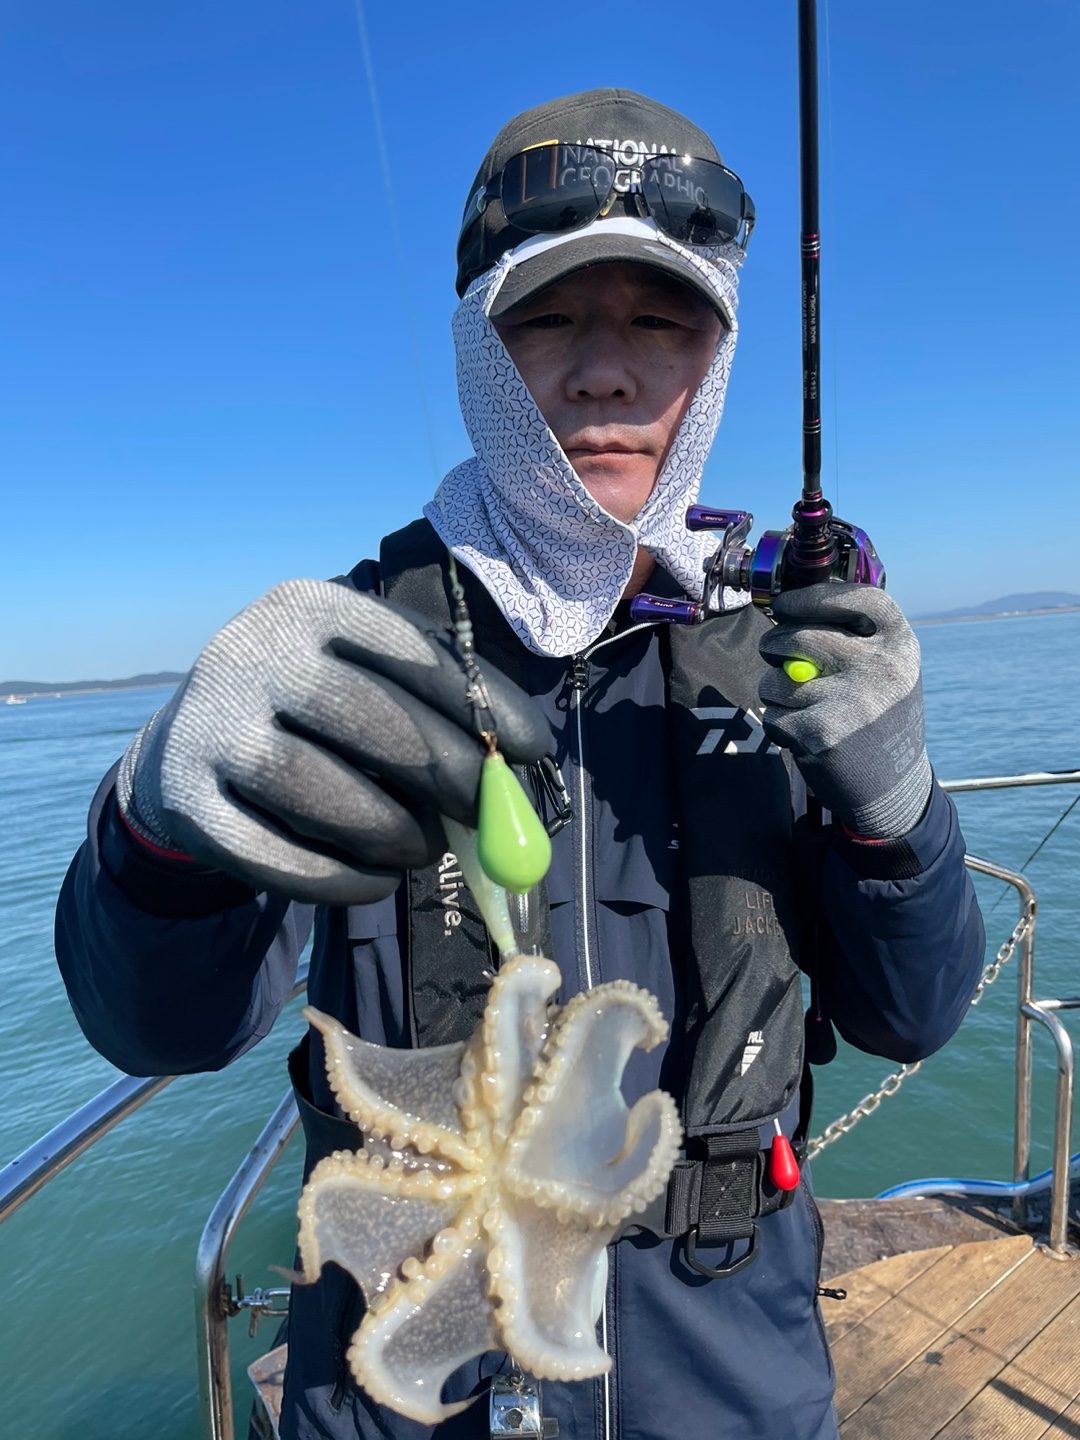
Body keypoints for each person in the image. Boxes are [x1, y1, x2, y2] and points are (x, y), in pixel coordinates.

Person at [55, 89, 985, 1440]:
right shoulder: (349, 658)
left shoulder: (791, 654)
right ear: (478, 348)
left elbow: (915, 1015)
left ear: (716, 352)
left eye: (661, 321)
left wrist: (899, 814)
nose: (606, 371)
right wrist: (158, 825)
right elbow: (162, 1030)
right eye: (547, 318)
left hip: (733, 1380)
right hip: (402, 1387)